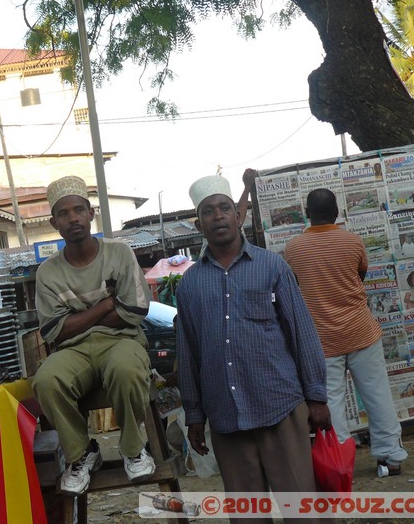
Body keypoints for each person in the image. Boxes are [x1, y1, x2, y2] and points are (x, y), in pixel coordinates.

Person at [175, 174, 330, 518]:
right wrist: (194, 415)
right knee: (247, 515)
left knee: (302, 510)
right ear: (198, 223)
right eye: (208, 211)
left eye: (224, 208)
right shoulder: (189, 285)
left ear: (237, 215)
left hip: (280, 407)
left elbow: (301, 333)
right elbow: (188, 354)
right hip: (226, 416)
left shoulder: (272, 266)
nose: (218, 216)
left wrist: (316, 396)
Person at [32, 175, 155, 496]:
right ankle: (83, 452)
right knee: (46, 380)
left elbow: (135, 310)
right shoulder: (48, 272)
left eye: (78, 210)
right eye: (63, 213)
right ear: (54, 222)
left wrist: (78, 317)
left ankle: (132, 447)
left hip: (123, 341)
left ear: (91, 214)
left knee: (127, 369)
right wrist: (106, 303)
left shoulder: (119, 253)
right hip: (73, 351)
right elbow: (55, 331)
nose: (72, 218)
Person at [285, 188, 408, 476]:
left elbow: (295, 285)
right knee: (378, 395)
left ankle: (341, 464)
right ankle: (391, 457)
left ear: (306, 213)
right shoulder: (353, 242)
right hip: (361, 332)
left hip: (321, 340)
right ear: (337, 212)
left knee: (331, 405)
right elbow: (359, 275)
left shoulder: (293, 249)